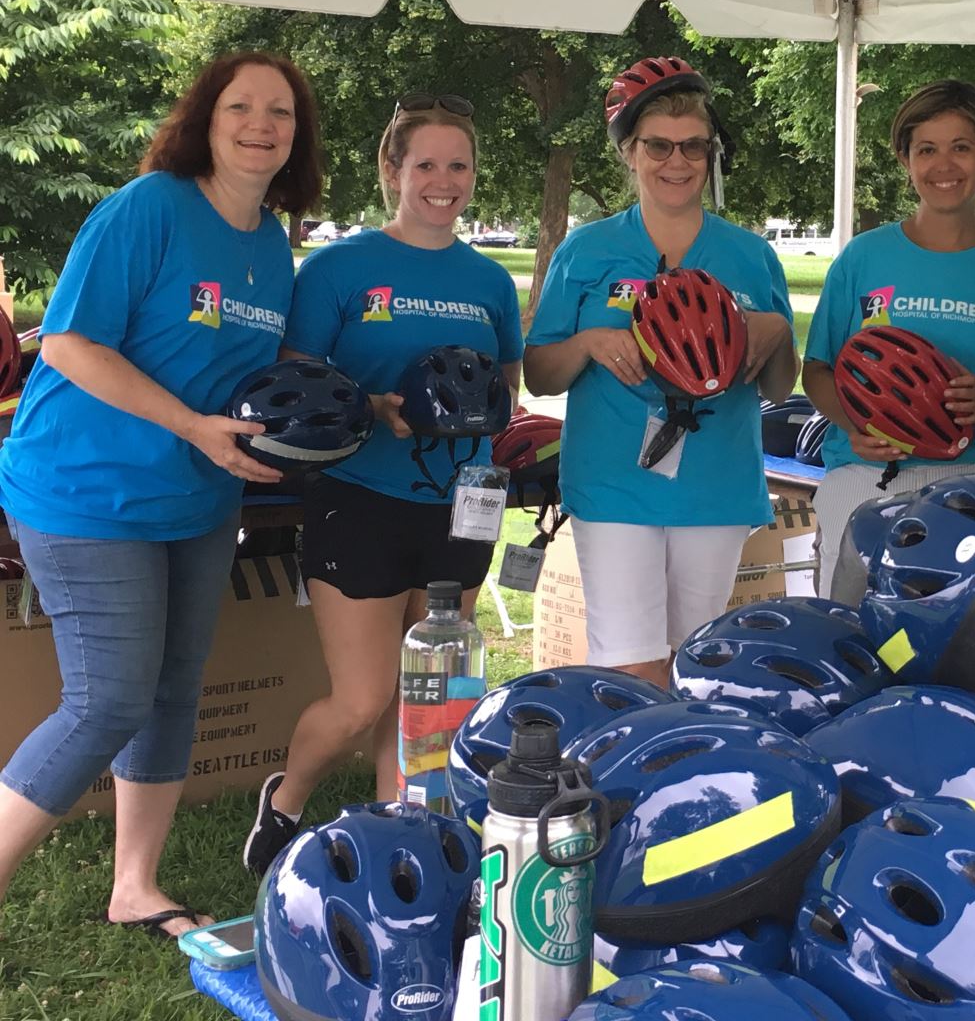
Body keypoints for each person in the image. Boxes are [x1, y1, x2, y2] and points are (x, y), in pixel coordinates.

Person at [0, 52, 321, 938]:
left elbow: (245, 365)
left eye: (281, 112)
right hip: (85, 491)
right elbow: (65, 346)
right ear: (204, 118)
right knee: (108, 700)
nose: (261, 124)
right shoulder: (148, 208)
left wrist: (340, 402)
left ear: (299, 135)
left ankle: (134, 886)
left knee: (174, 690)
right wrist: (190, 426)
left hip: (195, 498)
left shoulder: (267, 241)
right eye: (241, 106)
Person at [243, 94, 523, 875]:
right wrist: (372, 407)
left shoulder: (490, 282)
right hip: (358, 498)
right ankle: (288, 799)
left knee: (432, 693)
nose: (443, 180)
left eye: (458, 165)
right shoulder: (340, 268)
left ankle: (400, 828)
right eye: (425, 164)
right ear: (393, 171)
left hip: (461, 507)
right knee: (363, 698)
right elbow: (293, 389)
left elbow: (505, 384)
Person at [524, 56, 796, 688]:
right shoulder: (586, 251)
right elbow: (539, 375)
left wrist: (777, 331)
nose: (677, 162)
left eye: (694, 146)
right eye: (659, 146)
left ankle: (680, 783)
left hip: (716, 485)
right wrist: (590, 341)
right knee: (629, 664)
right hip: (614, 480)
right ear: (629, 152)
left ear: (712, 153)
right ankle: (627, 782)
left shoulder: (751, 255)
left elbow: (779, 388)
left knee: (694, 665)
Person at [803, 80, 975, 592]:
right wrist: (854, 427)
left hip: (972, 482)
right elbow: (818, 368)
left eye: (961, 147)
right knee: (847, 638)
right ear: (904, 159)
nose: (944, 166)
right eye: (926, 149)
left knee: (954, 651)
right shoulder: (863, 258)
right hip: (863, 478)